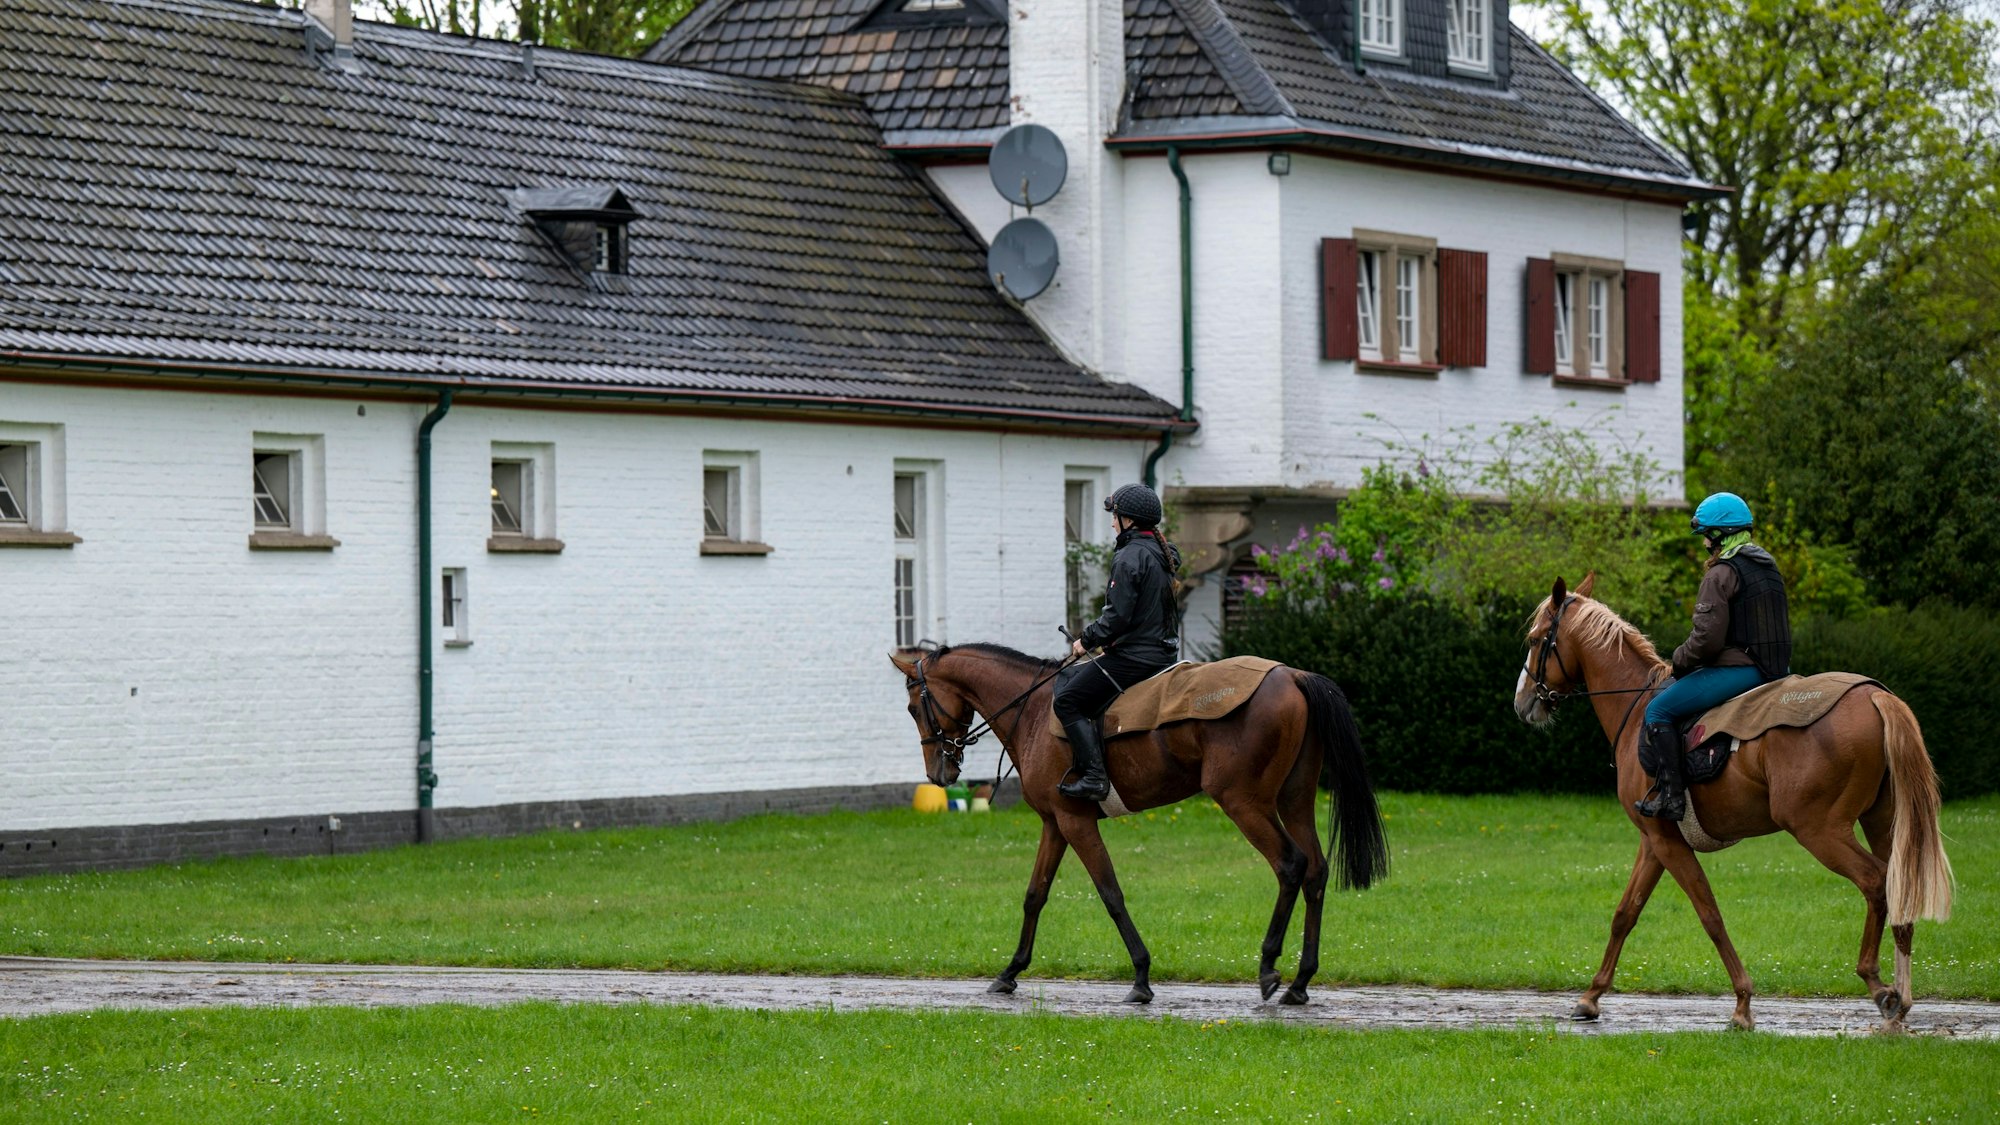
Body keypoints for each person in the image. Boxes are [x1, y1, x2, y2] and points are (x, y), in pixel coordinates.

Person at [1635, 491, 1792, 820]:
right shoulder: (1767, 566)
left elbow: (1707, 641)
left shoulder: (1721, 573)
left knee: (1658, 710)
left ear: (1721, 534)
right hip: (1778, 669)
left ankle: (1672, 798)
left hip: (1742, 671)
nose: (1706, 543)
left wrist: (1679, 660)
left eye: (1708, 535)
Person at [1053, 483, 1182, 801]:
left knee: (1067, 701)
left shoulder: (1129, 556)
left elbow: (1117, 617)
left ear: (1129, 520)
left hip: (1135, 658)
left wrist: (1086, 640)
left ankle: (1095, 777)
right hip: (1162, 653)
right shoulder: (1161, 552)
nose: (1112, 523)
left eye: (1115, 516)